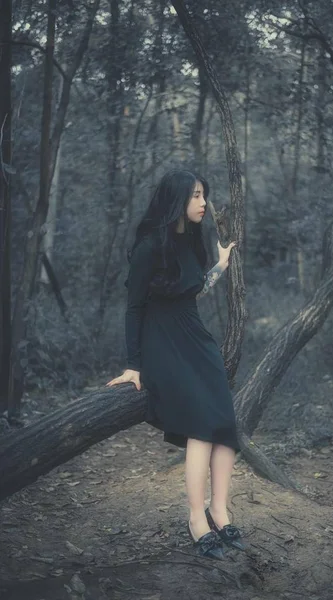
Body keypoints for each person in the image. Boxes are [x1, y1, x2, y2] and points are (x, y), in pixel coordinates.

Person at [106, 169, 245, 560]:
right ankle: (196, 518)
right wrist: (134, 366)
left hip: (194, 335)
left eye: (205, 195)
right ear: (177, 199)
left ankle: (220, 509)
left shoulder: (191, 241)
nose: (204, 203)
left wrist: (219, 264)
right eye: (197, 196)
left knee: (224, 423)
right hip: (160, 341)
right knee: (201, 424)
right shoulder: (150, 247)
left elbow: (193, 289)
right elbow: (134, 308)